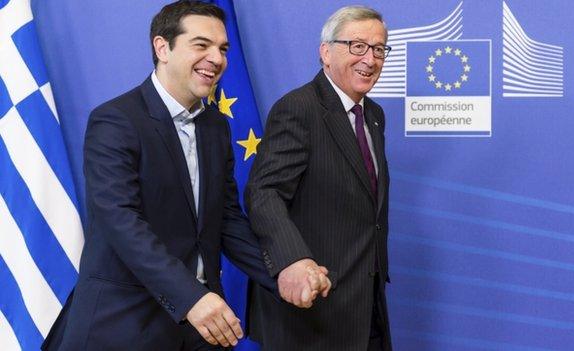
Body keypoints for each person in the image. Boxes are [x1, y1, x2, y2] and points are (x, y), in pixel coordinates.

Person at [41, 2, 327, 350]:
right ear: (162, 48)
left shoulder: (215, 126)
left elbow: (225, 220)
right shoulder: (116, 120)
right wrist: (191, 297)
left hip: (201, 328)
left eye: (222, 49)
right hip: (125, 324)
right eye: (201, 44)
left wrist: (282, 270)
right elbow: (120, 220)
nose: (217, 59)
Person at [245, 5, 392, 351]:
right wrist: (292, 261)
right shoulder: (299, 108)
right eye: (357, 46)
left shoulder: (373, 115)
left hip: (365, 305)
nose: (369, 59)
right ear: (325, 52)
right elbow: (263, 192)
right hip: (310, 311)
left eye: (379, 49)